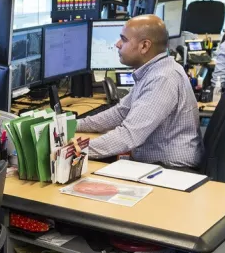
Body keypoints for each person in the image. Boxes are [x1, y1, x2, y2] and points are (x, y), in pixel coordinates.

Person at [78, 15, 202, 169]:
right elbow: (120, 113)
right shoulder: (153, 70)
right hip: (157, 164)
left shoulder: (162, 78)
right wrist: (75, 125)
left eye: (123, 40)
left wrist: (75, 150)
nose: (117, 44)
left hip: (170, 169)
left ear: (144, 46)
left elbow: (129, 136)